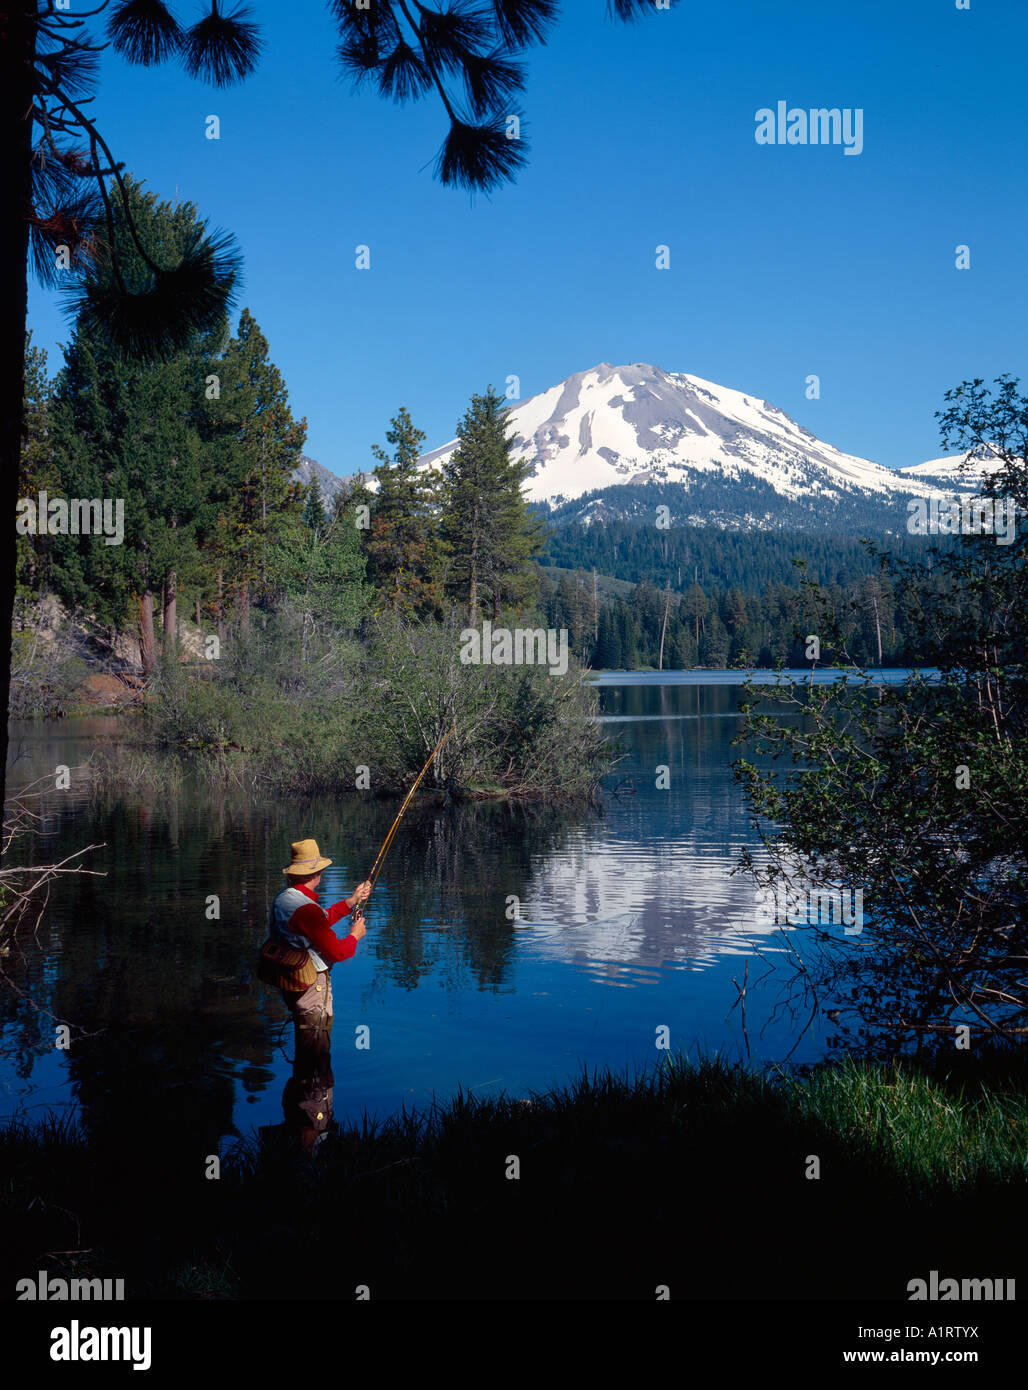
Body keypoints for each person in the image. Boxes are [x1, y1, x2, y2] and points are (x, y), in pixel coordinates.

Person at [270, 838, 371, 1035]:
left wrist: (352, 901)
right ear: (316, 874)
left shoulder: (284, 899)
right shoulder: (307, 909)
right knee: (317, 1054)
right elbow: (338, 953)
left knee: (307, 1050)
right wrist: (355, 935)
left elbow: (317, 923)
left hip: (291, 982)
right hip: (311, 988)